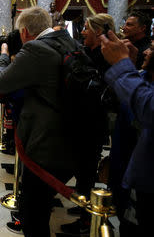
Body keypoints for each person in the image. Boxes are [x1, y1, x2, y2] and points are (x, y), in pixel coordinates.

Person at [0, 6, 77, 237]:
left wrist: (3, 55)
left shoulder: (36, 49)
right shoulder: (67, 41)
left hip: (44, 143)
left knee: (33, 215)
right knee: (42, 206)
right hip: (71, 135)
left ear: (25, 31)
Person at [61, 13, 113, 235]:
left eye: (86, 29)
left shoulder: (105, 55)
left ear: (99, 32)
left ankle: (87, 220)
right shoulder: (87, 52)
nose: (82, 32)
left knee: (87, 171)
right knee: (81, 172)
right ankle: (85, 209)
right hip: (79, 120)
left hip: (92, 123)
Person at [99, 30, 154, 237]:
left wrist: (122, 65)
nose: (147, 51)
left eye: (153, 48)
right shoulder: (142, 75)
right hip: (130, 168)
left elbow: (148, 108)